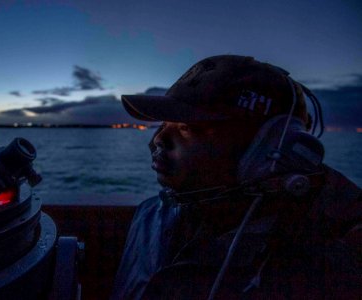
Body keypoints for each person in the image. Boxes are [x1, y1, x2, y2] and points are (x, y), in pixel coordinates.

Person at [111, 55, 361, 299]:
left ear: (271, 145)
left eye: (187, 127)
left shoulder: (339, 253)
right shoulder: (150, 215)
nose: (157, 141)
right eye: (162, 125)